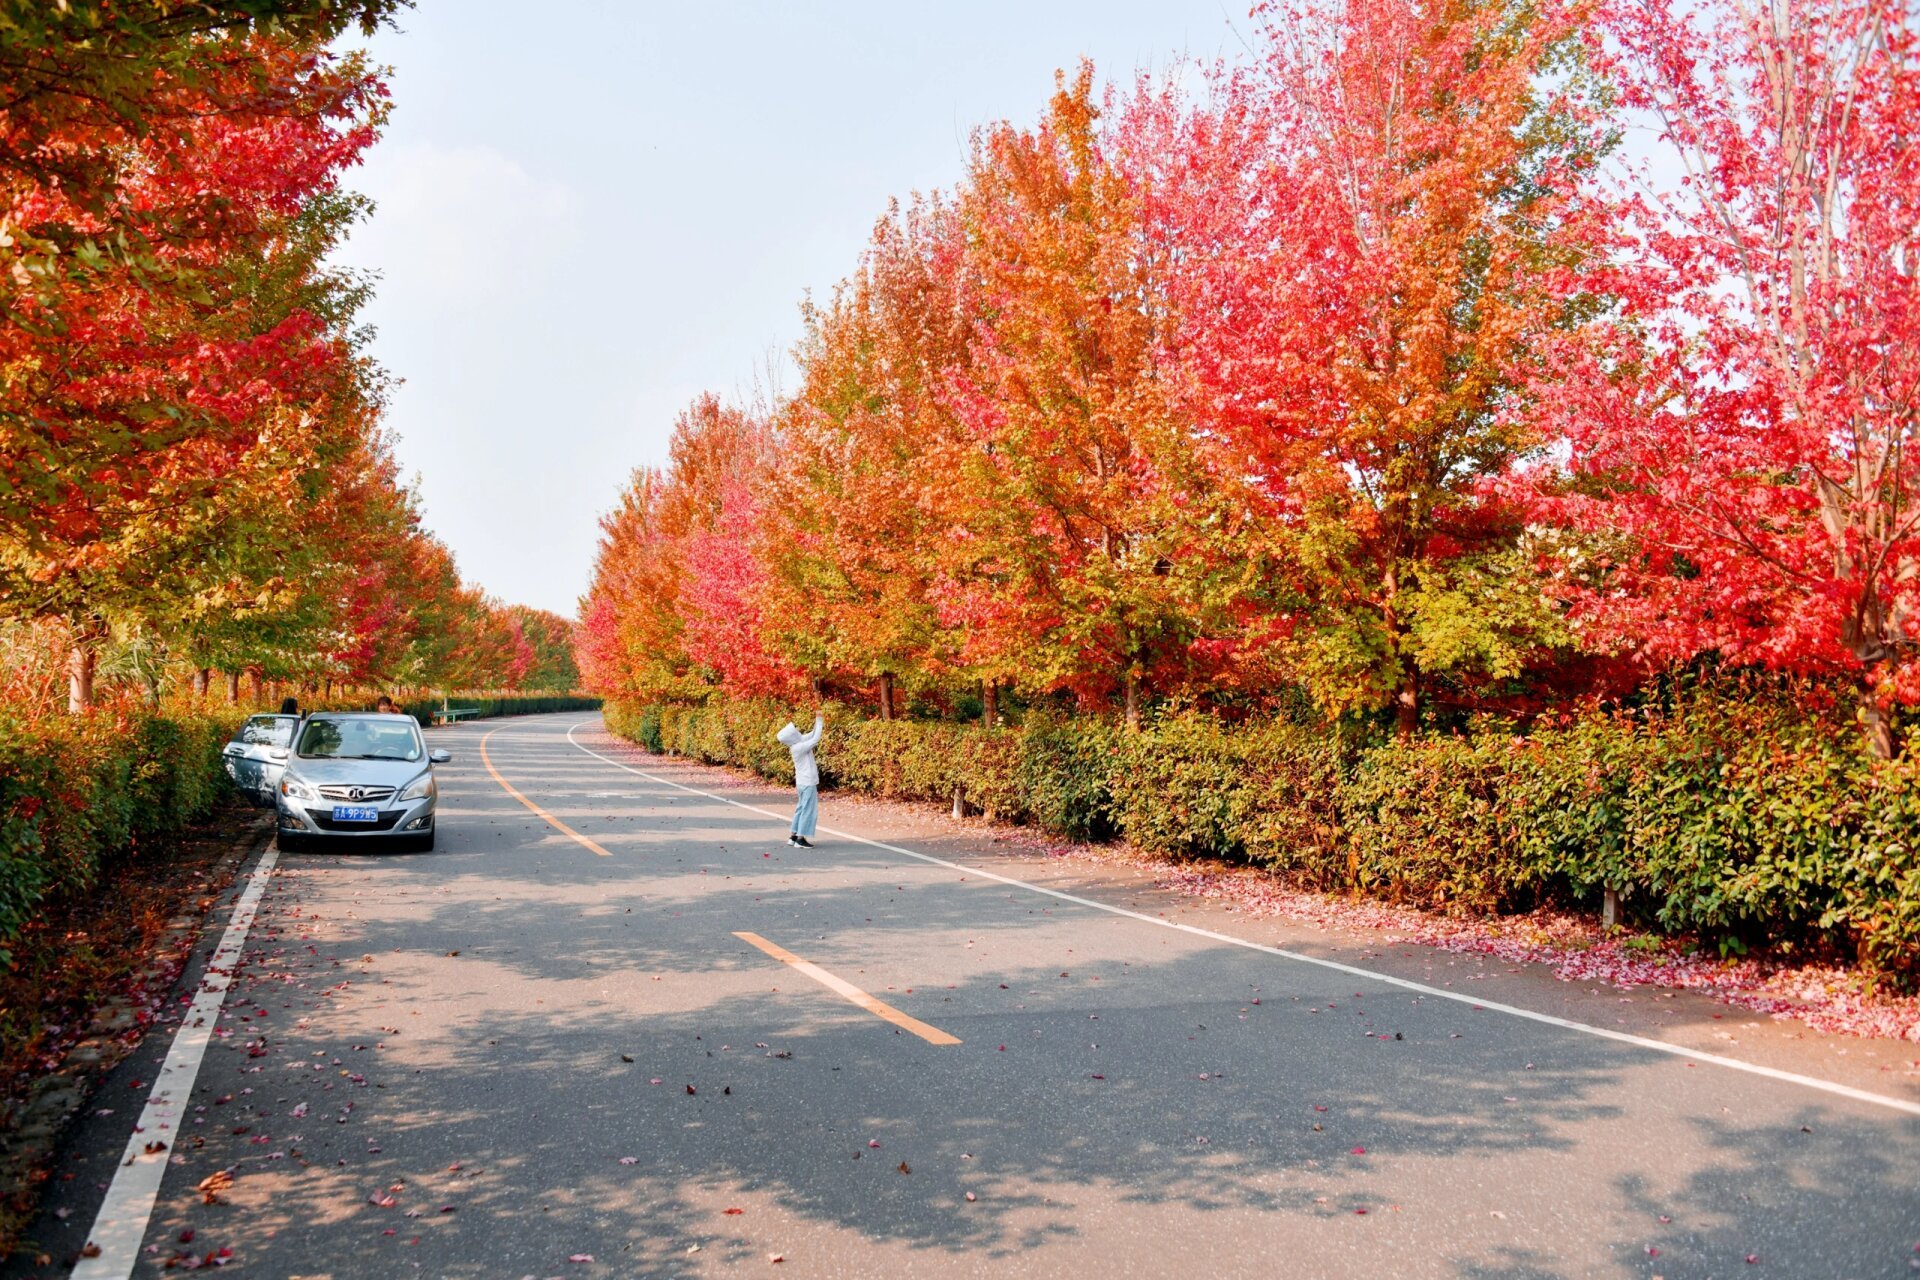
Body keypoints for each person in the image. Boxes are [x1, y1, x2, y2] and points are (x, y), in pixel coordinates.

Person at [775, 713, 824, 848]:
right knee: (808, 809)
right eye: (795, 732)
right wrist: (819, 722)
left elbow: (812, 734)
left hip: (802, 782)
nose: (798, 732)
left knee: (801, 808)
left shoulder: (797, 744)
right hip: (807, 783)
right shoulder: (799, 747)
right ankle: (801, 839)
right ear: (792, 737)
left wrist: (818, 719)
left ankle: (793, 835)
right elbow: (815, 739)